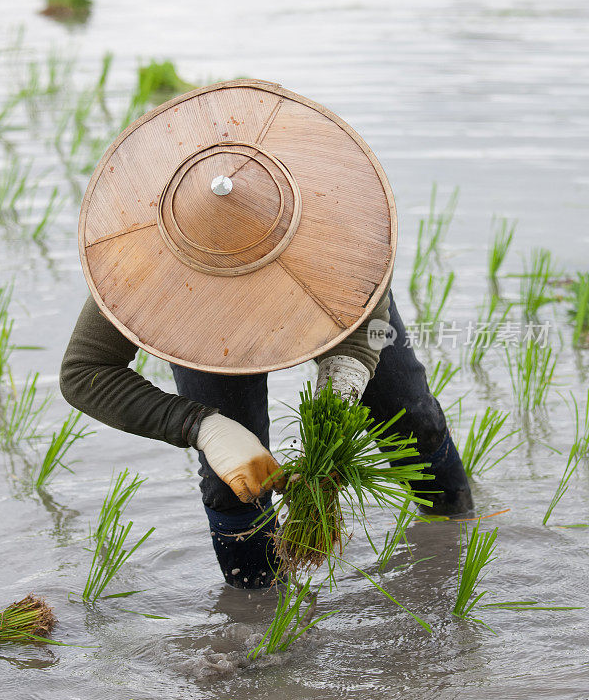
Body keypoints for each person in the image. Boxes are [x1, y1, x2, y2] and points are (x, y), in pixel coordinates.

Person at [59, 79, 472, 590]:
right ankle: (259, 612)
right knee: (237, 483)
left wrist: (339, 395)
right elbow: (83, 374)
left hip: (332, 304)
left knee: (413, 420)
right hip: (204, 330)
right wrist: (201, 426)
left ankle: (455, 542)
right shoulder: (140, 261)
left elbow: (368, 314)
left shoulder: (339, 214)